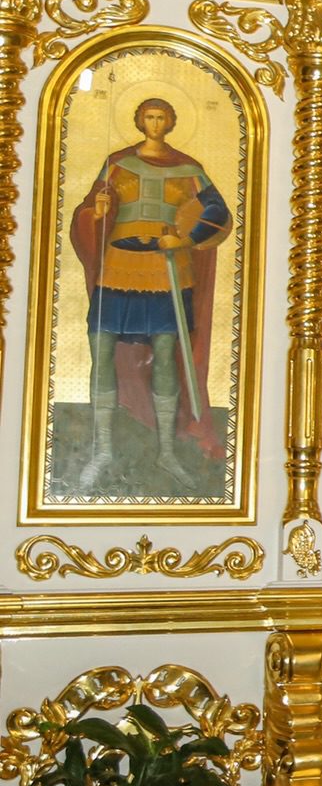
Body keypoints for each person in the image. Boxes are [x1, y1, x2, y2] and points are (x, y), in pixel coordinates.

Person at [68, 97, 233, 492]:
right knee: (101, 348)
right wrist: (95, 212)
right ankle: (102, 449)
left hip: (166, 268)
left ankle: (166, 452)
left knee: (164, 354)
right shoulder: (118, 162)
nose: (155, 123)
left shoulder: (189, 168)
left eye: (161, 117)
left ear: (170, 122)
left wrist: (185, 238)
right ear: (140, 121)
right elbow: (90, 208)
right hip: (119, 265)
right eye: (149, 117)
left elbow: (217, 212)